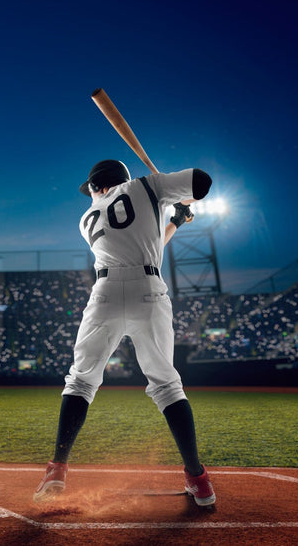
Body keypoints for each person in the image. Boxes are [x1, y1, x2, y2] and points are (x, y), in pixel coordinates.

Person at [33, 159, 216, 507]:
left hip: (105, 292)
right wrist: (172, 193)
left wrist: (174, 218)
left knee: (81, 381)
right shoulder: (147, 186)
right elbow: (202, 182)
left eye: (90, 190)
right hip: (148, 290)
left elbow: (146, 241)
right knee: (167, 385)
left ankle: (56, 470)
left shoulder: (87, 218)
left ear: (98, 186)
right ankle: (199, 480)